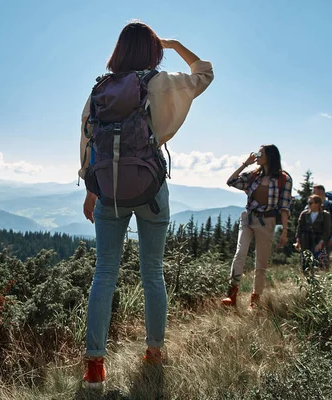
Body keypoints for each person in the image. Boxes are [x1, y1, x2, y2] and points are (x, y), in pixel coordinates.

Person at [78, 21, 213, 389]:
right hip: (151, 187)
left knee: (104, 273)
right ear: (153, 50)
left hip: (108, 189)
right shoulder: (162, 82)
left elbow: (88, 139)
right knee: (152, 272)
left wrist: (91, 189)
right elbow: (205, 73)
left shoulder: (100, 90)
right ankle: (153, 352)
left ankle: (94, 364)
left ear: (118, 51)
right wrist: (177, 44)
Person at [221, 144, 293, 310]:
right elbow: (230, 181)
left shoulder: (284, 179)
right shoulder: (253, 175)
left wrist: (285, 231)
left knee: (260, 263)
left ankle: (255, 300)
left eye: (261, 153)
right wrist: (245, 163)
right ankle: (231, 295)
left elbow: (284, 207)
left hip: (267, 222)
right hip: (248, 218)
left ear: (270, 156)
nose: (257, 155)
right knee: (240, 254)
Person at [295, 194, 331, 272]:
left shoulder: (325, 215)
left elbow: (327, 231)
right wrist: (298, 241)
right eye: (308, 203)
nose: (309, 205)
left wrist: (321, 242)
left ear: (317, 204)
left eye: (311, 203)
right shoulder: (304, 214)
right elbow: (299, 228)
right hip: (306, 241)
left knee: (319, 263)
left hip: (319, 241)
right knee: (306, 263)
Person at [312, 185, 332, 263]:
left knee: (323, 260)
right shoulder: (311, 205)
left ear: (321, 192)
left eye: (314, 192)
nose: (312, 194)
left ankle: (323, 274)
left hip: (326, 238)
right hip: (311, 238)